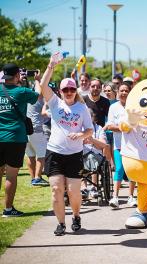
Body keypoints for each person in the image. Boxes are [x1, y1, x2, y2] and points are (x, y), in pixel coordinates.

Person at [41, 54, 93, 236]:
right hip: (54, 153)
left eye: (72, 89)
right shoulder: (55, 103)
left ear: (75, 91)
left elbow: (90, 130)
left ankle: (76, 216)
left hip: (74, 155)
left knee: (73, 192)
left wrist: (80, 134)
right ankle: (61, 223)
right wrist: (51, 66)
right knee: (56, 190)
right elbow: (43, 86)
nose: (69, 92)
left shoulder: (82, 108)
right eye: (65, 90)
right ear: (61, 92)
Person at [0, 63, 39, 217]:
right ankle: (8, 210)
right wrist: (37, 80)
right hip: (15, 138)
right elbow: (38, 95)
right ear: (17, 76)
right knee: (11, 176)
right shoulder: (22, 91)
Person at [104, 83, 136, 208]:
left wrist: (130, 128)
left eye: (126, 91)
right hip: (119, 145)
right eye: (121, 90)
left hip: (133, 145)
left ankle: (131, 197)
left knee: (132, 171)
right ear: (118, 92)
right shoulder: (114, 107)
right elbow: (110, 126)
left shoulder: (134, 107)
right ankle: (115, 197)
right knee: (119, 169)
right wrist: (124, 128)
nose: (123, 93)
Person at [26, 71, 50, 186]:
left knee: (30, 154)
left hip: (25, 129)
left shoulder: (26, 98)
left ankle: (33, 178)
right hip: (36, 128)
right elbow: (39, 91)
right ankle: (37, 178)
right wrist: (37, 79)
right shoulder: (37, 98)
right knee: (41, 154)